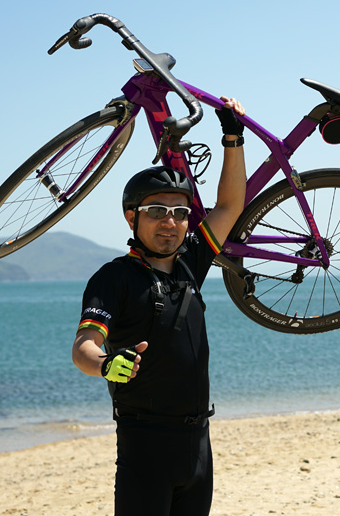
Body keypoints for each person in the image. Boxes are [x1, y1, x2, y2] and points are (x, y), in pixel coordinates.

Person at [72, 97, 247, 515]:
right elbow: (84, 346)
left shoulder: (191, 263)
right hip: (145, 444)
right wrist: (106, 363)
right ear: (131, 217)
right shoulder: (114, 278)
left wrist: (232, 137)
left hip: (199, 442)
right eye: (155, 211)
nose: (169, 222)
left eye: (179, 212)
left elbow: (229, 206)